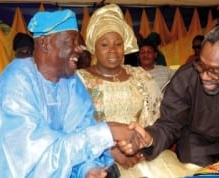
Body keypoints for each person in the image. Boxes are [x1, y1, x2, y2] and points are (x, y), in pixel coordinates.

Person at [0, 9, 142, 178]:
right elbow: (38, 157)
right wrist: (107, 131)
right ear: (45, 43)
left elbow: (78, 134)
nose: (80, 49)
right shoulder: (17, 81)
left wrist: (86, 169)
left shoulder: (71, 82)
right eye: (71, 42)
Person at [121, 24, 219, 175]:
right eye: (201, 65)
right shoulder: (185, 77)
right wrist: (150, 138)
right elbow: (169, 124)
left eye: (215, 71)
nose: (204, 76)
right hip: (195, 150)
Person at [77, 4, 190, 178]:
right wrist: (109, 151)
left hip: (144, 156)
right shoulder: (80, 80)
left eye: (118, 43)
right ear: (93, 47)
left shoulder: (140, 76)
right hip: (100, 160)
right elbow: (74, 128)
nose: (113, 50)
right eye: (104, 45)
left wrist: (141, 147)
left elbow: (158, 118)